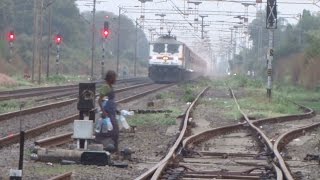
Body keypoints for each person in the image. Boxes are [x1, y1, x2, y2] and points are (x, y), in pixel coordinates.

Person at [96, 70, 119, 152]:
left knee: (113, 131)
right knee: (113, 131)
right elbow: (99, 100)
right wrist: (104, 112)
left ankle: (114, 149)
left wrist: (116, 110)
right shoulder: (105, 87)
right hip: (107, 113)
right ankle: (112, 149)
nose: (116, 80)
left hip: (112, 112)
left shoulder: (110, 86)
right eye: (114, 78)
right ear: (110, 78)